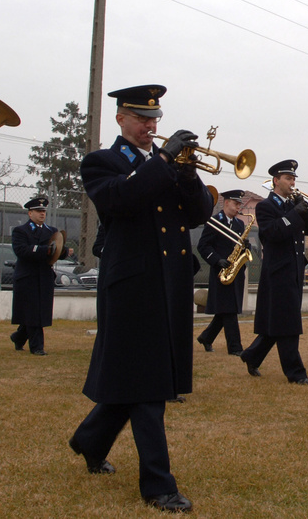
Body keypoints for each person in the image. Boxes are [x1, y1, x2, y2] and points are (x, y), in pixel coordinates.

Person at [69, 84, 211, 513]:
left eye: (155, 120)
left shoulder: (162, 165)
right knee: (148, 385)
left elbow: (198, 213)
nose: (150, 125)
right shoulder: (102, 162)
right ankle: (158, 484)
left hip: (167, 282)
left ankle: (89, 441)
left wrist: (187, 176)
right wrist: (166, 160)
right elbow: (121, 200)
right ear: (120, 119)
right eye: (141, 118)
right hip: (130, 284)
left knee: (136, 376)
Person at [240, 160, 308, 384]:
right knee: (288, 322)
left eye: (294, 178)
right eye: (288, 178)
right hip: (277, 270)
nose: (292, 182)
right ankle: (296, 373)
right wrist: (295, 213)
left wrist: (305, 208)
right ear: (276, 181)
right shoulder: (266, 206)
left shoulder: (291, 204)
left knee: (279, 321)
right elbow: (272, 233)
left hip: (294, 269)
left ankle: (252, 356)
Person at [196, 189, 250, 356]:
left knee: (225, 310)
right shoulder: (214, 222)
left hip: (236, 272)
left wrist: (245, 248)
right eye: (236, 204)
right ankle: (235, 348)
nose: (238, 207)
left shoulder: (240, 224)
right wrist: (217, 259)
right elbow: (203, 246)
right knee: (229, 310)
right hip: (221, 272)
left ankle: (206, 337)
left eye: (239, 204)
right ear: (226, 203)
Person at [9, 196, 58, 356]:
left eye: (43, 211)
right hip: (27, 277)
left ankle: (18, 337)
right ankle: (37, 346)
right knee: (32, 312)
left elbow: (58, 250)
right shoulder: (20, 231)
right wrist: (45, 250)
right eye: (38, 211)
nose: (42, 214)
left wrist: (64, 251)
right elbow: (22, 251)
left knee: (36, 312)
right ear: (30, 213)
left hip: (44, 276)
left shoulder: (52, 232)